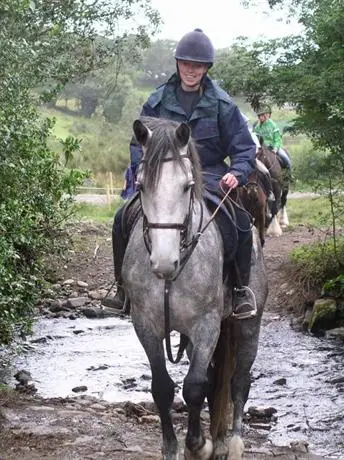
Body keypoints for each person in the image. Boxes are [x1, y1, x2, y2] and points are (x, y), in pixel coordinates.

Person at [110, 28, 257, 316]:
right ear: (178, 63)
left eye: (198, 65)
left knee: (240, 221)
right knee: (120, 219)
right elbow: (138, 141)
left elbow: (243, 148)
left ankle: (240, 291)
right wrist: (145, 172)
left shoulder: (223, 104)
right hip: (162, 177)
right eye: (186, 63)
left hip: (211, 176)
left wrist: (237, 173)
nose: (191, 70)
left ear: (206, 68)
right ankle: (121, 289)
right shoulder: (158, 100)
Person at [254, 105, 292, 170]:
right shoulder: (257, 127)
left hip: (273, 147)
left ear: (265, 115)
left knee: (285, 158)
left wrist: (275, 149)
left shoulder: (273, 125)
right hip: (262, 149)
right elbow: (255, 139)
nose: (260, 117)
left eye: (261, 115)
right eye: (259, 116)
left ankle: (290, 174)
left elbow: (277, 139)